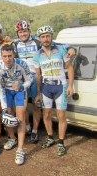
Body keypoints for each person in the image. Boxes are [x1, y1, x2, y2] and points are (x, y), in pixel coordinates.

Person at [13, 20, 76, 143]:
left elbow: (57, 43)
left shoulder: (38, 40)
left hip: (37, 75)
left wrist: (71, 47)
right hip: (23, 78)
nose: (23, 34)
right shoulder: (15, 44)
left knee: (37, 105)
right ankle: (27, 127)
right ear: (17, 33)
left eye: (25, 31)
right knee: (23, 106)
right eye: (20, 32)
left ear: (29, 31)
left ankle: (35, 131)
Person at [33, 25, 74, 156]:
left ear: (51, 36)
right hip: (46, 87)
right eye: (43, 37)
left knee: (61, 115)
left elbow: (70, 67)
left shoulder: (61, 49)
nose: (45, 39)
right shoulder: (37, 55)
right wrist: (38, 93)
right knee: (46, 114)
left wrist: (70, 85)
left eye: (48, 36)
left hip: (60, 86)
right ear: (39, 39)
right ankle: (50, 137)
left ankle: (61, 142)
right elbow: (38, 75)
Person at [0, 45, 32, 165]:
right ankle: (12, 138)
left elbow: (29, 80)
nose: (7, 59)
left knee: (20, 118)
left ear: (14, 55)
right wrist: (4, 108)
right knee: (7, 117)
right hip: (6, 91)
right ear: (1, 56)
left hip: (19, 90)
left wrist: (22, 86)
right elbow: (0, 89)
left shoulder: (22, 64)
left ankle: (20, 149)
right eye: (4, 56)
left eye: (10, 56)